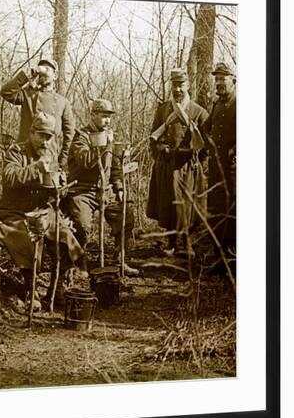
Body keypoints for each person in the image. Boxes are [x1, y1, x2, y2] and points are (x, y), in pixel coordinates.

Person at [0, 112, 83, 308]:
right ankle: (31, 290)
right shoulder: (17, 151)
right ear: (31, 133)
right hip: (14, 211)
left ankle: (56, 289)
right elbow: (9, 178)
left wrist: (60, 185)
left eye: (48, 137)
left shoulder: (50, 153)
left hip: (42, 209)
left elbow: (52, 185)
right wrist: (37, 168)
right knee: (28, 241)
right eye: (41, 135)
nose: (45, 141)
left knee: (67, 238)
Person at [65, 99, 139, 276]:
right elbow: (86, 162)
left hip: (105, 190)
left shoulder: (109, 136)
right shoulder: (80, 136)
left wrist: (119, 187)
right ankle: (79, 263)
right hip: (83, 190)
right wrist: (103, 145)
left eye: (109, 117)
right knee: (81, 223)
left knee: (125, 215)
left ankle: (120, 261)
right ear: (93, 115)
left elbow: (114, 166)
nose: (107, 121)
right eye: (103, 116)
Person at [146, 68, 209, 255]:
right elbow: (154, 136)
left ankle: (188, 244)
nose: (178, 89)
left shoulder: (199, 112)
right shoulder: (163, 109)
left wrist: (197, 161)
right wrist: (161, 149)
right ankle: (172, 244)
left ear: (188, 85)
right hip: (167, 165)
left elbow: (205, 145)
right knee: (169, 205)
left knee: (187, 206)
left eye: (181, 85)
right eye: (174, 85)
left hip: (188, 166)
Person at [0, 58, 75, 169]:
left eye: (47, 69)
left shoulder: (63, 102)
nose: (43, 73)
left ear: (55, 76)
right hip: (24, 158)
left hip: (50, 158)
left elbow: (69, 135)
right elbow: (6, 92)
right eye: (41, 71)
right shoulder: (27, 95)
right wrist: (27, 75)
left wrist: (62, 160)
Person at [205, 62, 237, 256]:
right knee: (215, 204)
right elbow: (207, 126)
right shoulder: (217, 104)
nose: (218, 83)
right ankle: (216, 251)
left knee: (232, 206)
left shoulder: (239, 103)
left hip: (232, 167)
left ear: (233, 81)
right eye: (216, 79)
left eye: (222, 78)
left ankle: (231, 254)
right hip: (215, 165)